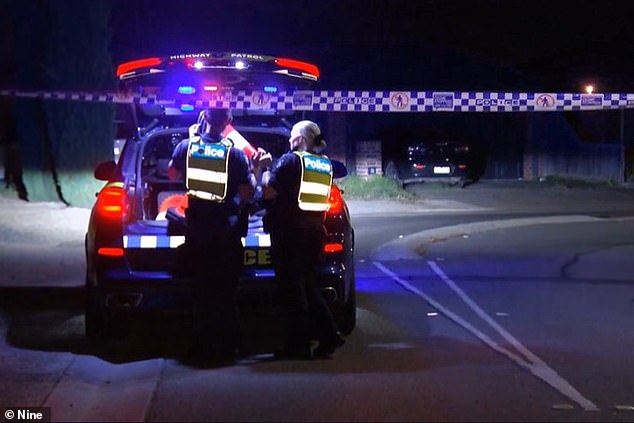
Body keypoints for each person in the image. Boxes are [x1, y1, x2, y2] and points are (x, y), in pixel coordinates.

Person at [168, 107, 257, 362]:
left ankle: (200, 346)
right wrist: (253, 172)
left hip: (198, 232)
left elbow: (171, 174)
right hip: (227, 233)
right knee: (226, 293)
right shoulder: (236, 155)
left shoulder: (187, 146)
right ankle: (229, 348)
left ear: (204, 117)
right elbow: (247, 194)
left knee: (202, 292)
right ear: (228, 122)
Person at [262, 120, 345, 358]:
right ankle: (330, 336)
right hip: (314, 233)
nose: (289, 140)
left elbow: (269, 193)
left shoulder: (290, 160)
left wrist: (266, 168)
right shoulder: (322, 163)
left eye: (291, 136)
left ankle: (298, 345)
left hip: (290, 234)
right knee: (308, 287)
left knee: (294, 291)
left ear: (299, 139)